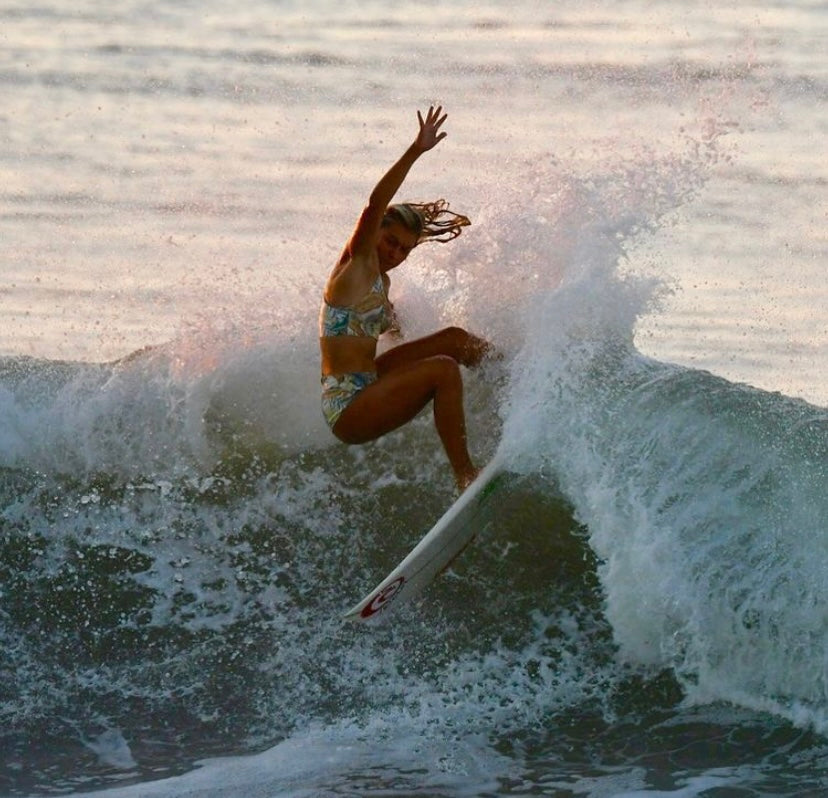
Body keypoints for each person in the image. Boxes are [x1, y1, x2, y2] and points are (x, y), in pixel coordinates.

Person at [319, 106, 491, 491]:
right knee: (443, 368)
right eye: (390, 241)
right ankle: (465, 475)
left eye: (404, 250)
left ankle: (519, 382)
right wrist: (416, 150)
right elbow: (375, 203)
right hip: (348, 409)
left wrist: (395, 323)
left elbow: (382, 326)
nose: (395, 253)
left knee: (454, 339)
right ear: (373, 233)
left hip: (368, 382)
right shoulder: (357, 264)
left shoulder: (381, 282)